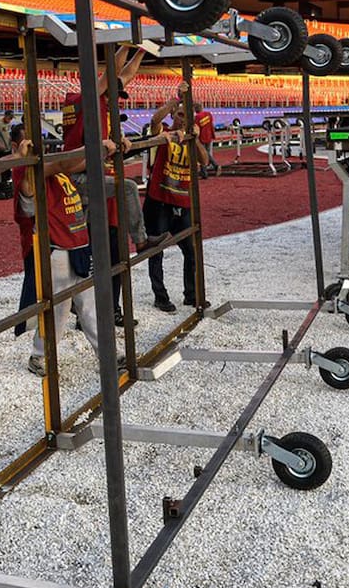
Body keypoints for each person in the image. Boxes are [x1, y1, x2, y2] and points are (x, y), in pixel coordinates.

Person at [60, 46, 166, 327]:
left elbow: (125, 75)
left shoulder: (96, 105)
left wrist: (142, 52)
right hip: (80, 178)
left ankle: (96, 311)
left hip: (94, 180)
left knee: (101, 252)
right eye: (115, 92)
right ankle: (141, 241)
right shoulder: (88, 100)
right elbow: (112, 72)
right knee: (127, 193)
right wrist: (127, 45)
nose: (118, 97)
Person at [13, 136, 116, 375]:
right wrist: (97, 145)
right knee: (59, 310)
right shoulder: (26, 172)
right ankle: (40, 355)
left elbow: (73, 164)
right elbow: (59, 166)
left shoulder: (56, 170)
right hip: (56, 246)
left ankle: (107, 353)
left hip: (77, 241)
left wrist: (104, 151)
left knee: (90, 305)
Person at [144, 94, 208, 312]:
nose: (183, 119)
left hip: (182, 201)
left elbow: (205, 160)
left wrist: (195, 139)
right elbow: (154, 122)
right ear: (173, 115)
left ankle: (191, 295)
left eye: (187, 116)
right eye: (180, 115)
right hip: (159, 201)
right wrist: (174, 101)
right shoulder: (163, 134)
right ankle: (160, 296)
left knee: (191, 250)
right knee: (156, 250)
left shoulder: (190, 138)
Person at [193, 101, 219, 178]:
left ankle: (215, 166)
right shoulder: (208, 114)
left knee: (203, 154)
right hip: (209, 136)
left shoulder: (197, 117)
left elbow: (196, 129)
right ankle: (204, 173)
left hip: (202, 138)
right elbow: (211, 125)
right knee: (206, 153)